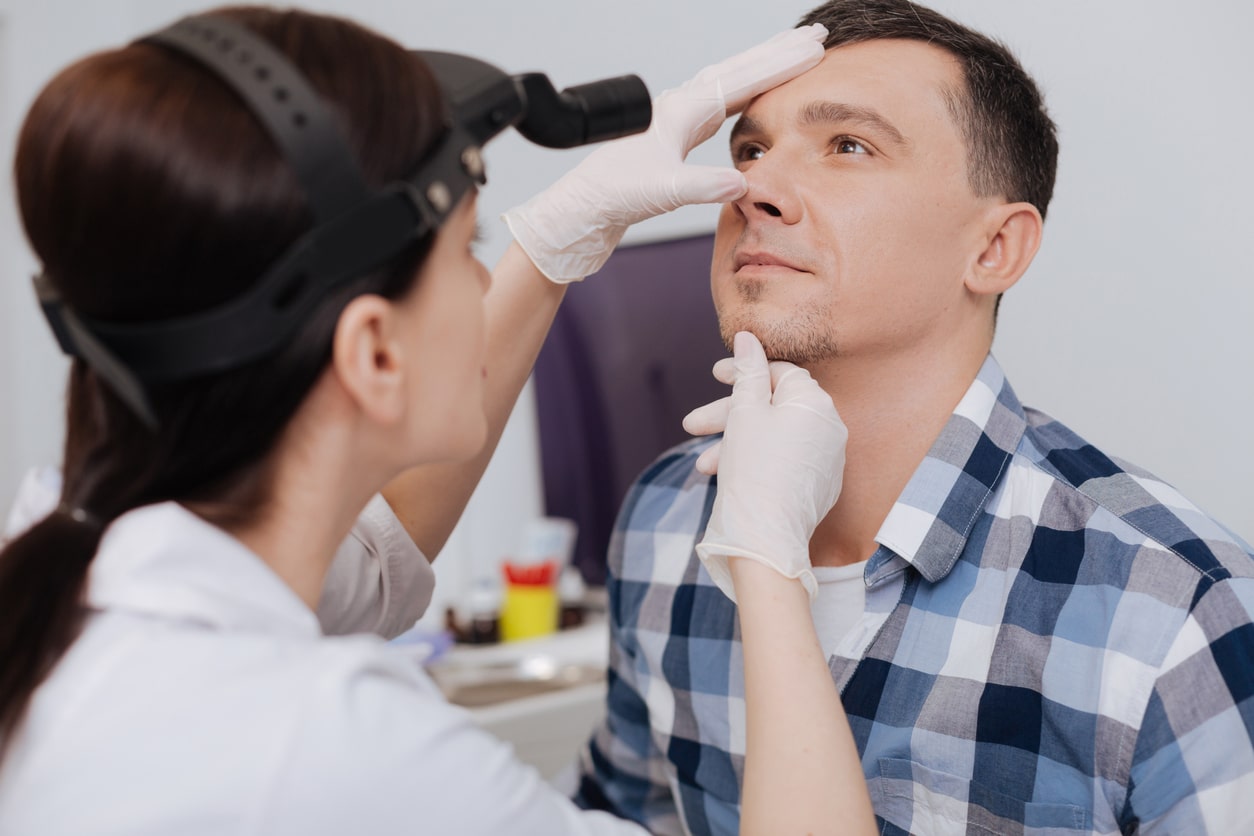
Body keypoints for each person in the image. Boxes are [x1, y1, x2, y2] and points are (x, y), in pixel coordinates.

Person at [0, 8, 881, 834]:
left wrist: (553, 242)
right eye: (468, 251)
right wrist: (767, 562)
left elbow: (368, 572)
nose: (482, 283)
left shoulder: (63, 565)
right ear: (375, 354)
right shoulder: (334, 747)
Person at [571, 1, 1254, 834]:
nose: (754, 188)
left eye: (848, 146)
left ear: (994, 249)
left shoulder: (1177, 611)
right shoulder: (662, 517)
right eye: (749, 148)